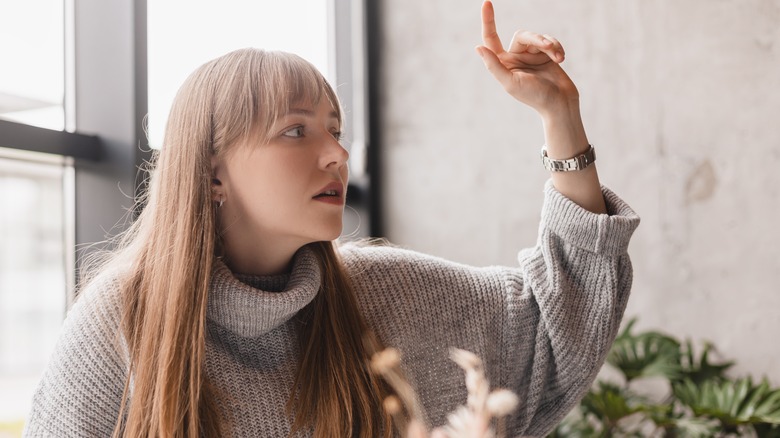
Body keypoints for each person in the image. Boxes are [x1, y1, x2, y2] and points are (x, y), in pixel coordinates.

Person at [23, 1, 639, 437]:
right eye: (295, 130)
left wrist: (561, 118)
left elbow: (557, 325)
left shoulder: (386, 293)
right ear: (212, 172)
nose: (337, 154)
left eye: (335, 130)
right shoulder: (121, 327)